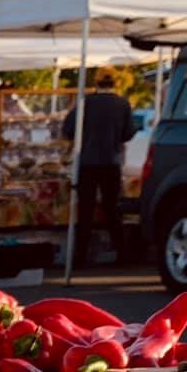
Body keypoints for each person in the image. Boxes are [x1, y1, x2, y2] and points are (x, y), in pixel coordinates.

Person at [60, 67, 136, 264]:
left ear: (97, 83)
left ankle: (80, 256)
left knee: (85, 210)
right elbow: (129, 133)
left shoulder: (85, 104)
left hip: (87, 163)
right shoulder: (122, 104)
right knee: (112, 209)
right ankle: (123, 254)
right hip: (111, 162)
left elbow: (68, 130)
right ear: (115, 83)